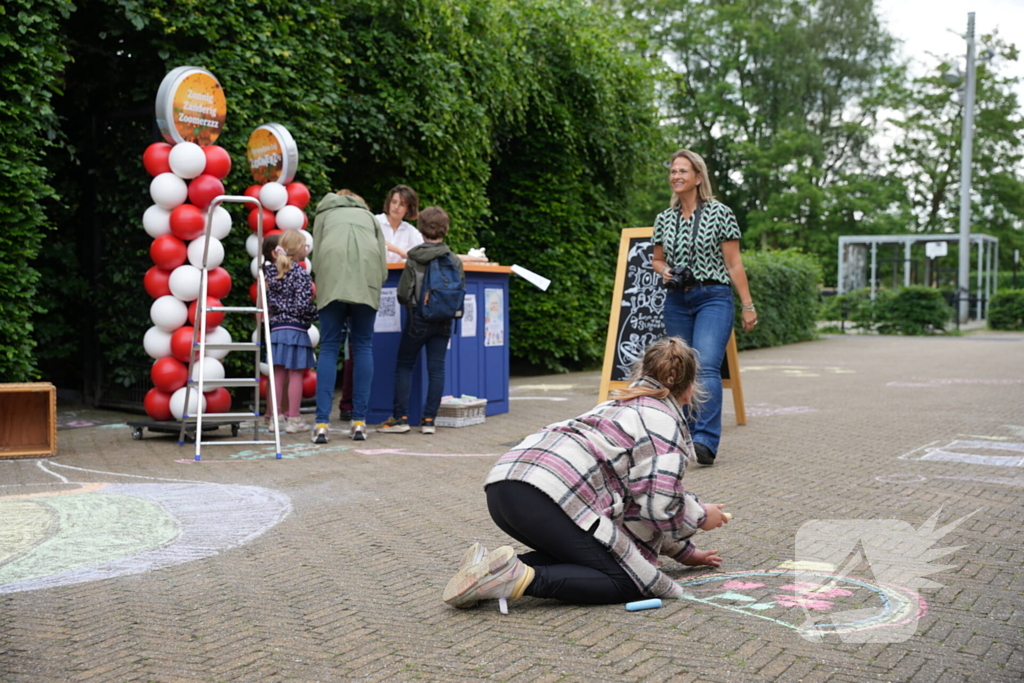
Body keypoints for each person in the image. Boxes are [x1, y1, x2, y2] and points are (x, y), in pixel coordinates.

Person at [442, 337, 728, 609]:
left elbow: (639, 504)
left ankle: (485, 569)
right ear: (690, 389)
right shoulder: (662, 423)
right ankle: (511, 578)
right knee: (629, 580)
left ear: (641, 372)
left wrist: (687, 553)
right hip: (543, 497)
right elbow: (659, 508)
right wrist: (701, 517)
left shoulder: (615, 406)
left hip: (505, 486)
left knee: (590, 557)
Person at [651, 149, 757, 467]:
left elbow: (734, 263)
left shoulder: (720, 213)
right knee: (677, 370)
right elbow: (657, 259)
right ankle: (681, 436)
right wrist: (664, 271)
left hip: (713, 296)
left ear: (698, 177)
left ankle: (705, 440)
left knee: (706, 365)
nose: (676, 176)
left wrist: (748, 305)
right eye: (673, 171)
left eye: (683, 171)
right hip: (676, 299)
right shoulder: (663, 219)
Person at [378, 206, 464, 436]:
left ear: (421, 228)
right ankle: (429, 420)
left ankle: (401, 418)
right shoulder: (454, 259)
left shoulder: (415, 257)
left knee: (405, 364)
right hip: (445, 320)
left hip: (419, 318)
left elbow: (403, 293)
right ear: (445, 229)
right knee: (437, 368)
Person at [311, 190, 387, 443]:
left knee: (330, 346)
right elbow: (383, 263)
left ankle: (322, 423)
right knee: (363, 345)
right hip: (366, 284)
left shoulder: (324, 215)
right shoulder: (370, 217)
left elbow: (317, 257)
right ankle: (359, 421)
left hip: (332, 284)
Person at [263, 229, 317, 434]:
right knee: (295, 374)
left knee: (276, 374)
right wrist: (316, 315)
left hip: (276, 329)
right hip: (295, 329)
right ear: (298, 250)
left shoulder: (270, 273)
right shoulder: (301, 274)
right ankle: (293, 418)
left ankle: (274, 418)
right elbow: (303, 305)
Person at [375, 184, 423, 263]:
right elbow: (374, 240)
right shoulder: (375, 221)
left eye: (402, 204)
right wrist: (400, 252)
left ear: (408, 209)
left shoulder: (411, 231)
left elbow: (421, 252)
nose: (396, 207)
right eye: (394, 202)